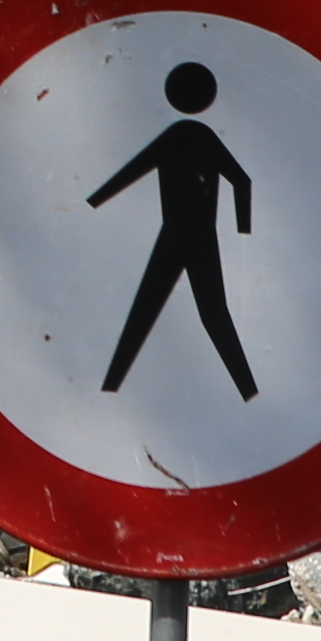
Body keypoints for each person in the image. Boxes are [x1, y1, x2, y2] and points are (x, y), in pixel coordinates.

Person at [94, 61, 259, 399]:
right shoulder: (198, 136)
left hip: (180, 235)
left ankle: (110, 387)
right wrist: (242, 228)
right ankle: (249, 391)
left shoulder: (181, 136)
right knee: (206, 313)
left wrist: (96, 201)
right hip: (194, 235)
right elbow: (241, 181)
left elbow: (134, 170)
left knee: (149, 310)